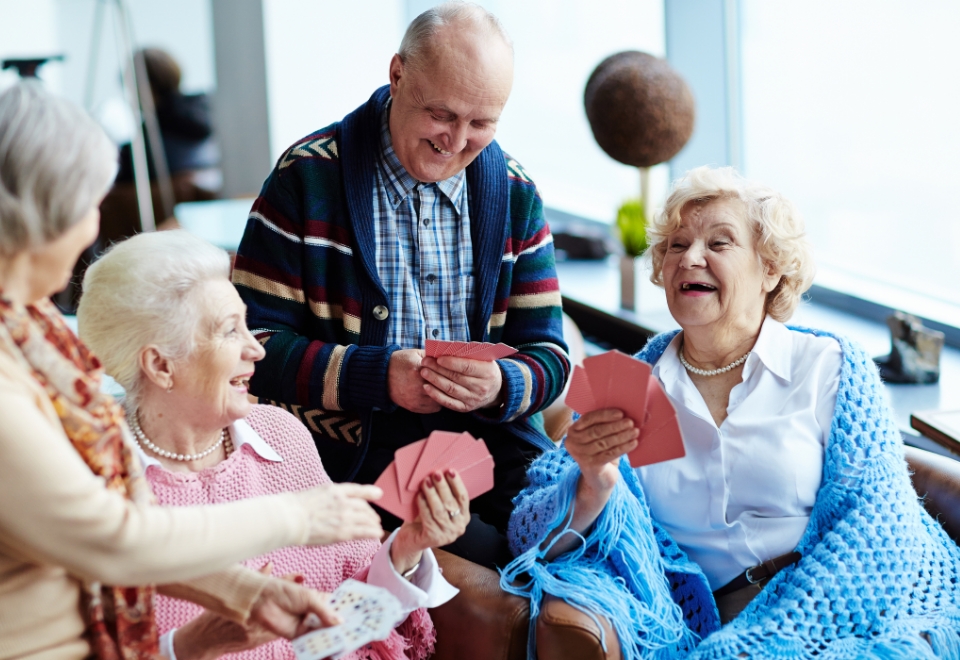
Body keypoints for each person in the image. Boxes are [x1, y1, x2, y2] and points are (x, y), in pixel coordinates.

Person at [501, 167, 960, 658]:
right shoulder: (625, 384)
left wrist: (758, 645)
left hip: (834, 614)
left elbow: (877, 532)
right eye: (676, 245)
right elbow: (530, 539)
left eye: (719, 244)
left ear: (770, 269)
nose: (690, 258)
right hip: (685, 625)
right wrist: (592, 482)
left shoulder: (834, 370)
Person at [0, 82, 385, 659]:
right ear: (42, 217)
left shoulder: (28, 327)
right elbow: (112, 540)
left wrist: (241, 591)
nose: (90, 231)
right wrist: (298, 515)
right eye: (89, 207)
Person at [231, 2, 569, 569]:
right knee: (497, 561)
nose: (457, 141)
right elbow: (248, 350)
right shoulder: (306, 178)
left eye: (482, 123)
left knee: (578, 542)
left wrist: (500, 384)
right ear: (397, 76)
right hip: (353, 455)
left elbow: (552, 357)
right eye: (442, 114)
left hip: (498, 445)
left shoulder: (514, 191)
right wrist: (377, 376)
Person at [79, 230, 469, 660]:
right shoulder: (96, 490)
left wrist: (407, 547)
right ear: (160, 365)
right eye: (230, 332)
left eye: (248, 324)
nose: (257, 350)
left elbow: (345, 619)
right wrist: (194, 646)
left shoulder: (281, 434)